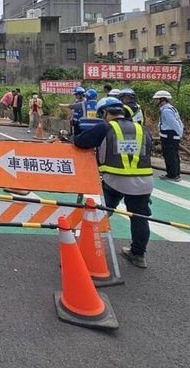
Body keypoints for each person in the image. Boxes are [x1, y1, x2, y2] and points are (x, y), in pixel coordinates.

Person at [74, 96, 154, 269]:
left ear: (104, 112)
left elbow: (80, 142)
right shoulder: (143, 129)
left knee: (101, 211)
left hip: (114, 179)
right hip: (143, 181)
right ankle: (138, 255)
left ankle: (86, 244)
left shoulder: (105, 127)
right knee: (139, 218)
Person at [153, 90, 184, 181]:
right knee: (173, 154)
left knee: (170, 155)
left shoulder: (166, 110)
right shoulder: (170, 108)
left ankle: (172, 175)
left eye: (156, 99)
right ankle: (175, 173)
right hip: (171, 135)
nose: (155, 101)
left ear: (162, 99)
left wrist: (179, 133)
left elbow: (174, 123)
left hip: (169, 136)